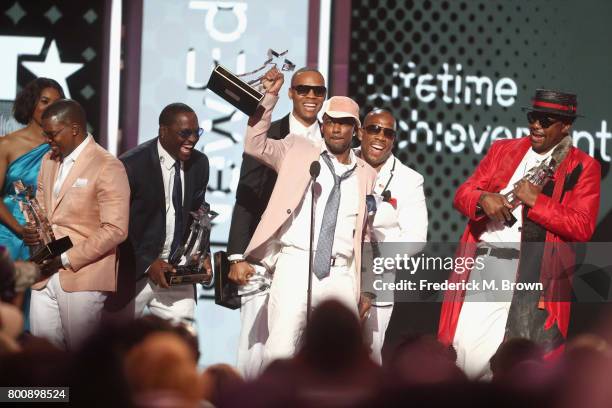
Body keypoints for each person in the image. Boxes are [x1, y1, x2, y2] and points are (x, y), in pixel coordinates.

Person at [438, 89, 601, 379]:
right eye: (532, 117)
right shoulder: (504, 149)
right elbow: (464, 193)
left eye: (545, 120)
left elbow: (582, 226)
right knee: (468, 356)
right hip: (489, 263)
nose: (536, 125)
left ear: (565, 125)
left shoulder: (582, 167)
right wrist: (482, 199)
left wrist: (536, 201)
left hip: (536, 276)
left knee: (519, 367)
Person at [238, 67, 377, 365]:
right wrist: (270, 96)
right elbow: (255, 144)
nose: (337, 129)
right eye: (331, 122)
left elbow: (364, 234)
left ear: (356, 130)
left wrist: (367, 286)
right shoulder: (298, 150)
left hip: (340, 272)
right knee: (281, 353)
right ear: (323, 125)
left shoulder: (367, 173)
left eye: (345, 123)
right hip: (295, 264)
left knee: (342, 360)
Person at [227, 67, 326, 378]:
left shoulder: (334, 138)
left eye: (318, 91)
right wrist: (238, 255)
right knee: (253, 350)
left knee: (298, 349)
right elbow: (247, 194)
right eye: (304, 89)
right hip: (264, 256)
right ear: (291, 92)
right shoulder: (271, 132)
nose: (311, 96)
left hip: (308, 259)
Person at [24, 99, 130, 350]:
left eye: (52, 134)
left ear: (74, 128)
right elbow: (40, 209)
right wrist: (33, 231)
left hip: (84, 274)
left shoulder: (107, 165)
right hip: (44, 274)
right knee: (42, 358)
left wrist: (65, 259)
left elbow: (116, 229)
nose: (48, 140)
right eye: (45, 134)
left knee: (81, 361)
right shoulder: (49, 161)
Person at [112, 103, 210, 324]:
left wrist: (202, 253)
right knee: (117, 348)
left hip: (176, 272)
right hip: (133, 271)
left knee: (182, 344)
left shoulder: (200, 164)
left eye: (197, 132)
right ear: (163, 131)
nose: (193, 139)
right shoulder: (131, 165)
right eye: (185, 132)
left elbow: (199, 212)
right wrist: (149, 263)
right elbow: (116, 224)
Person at [356, 109, 428, 364]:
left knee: (368, 359)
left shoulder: (410, 180)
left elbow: (416, 237)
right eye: (374, 129)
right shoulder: (342, 163)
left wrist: (374, 264)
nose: (381, 137)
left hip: (378, 278)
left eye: (389, 133)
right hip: (333, 271)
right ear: (360, 132)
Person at [0, 78, 64, 321]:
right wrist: (20, 229)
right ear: (30, 104)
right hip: (9, 235)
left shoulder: (64, 147)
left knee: (39, 317)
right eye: (44, 101)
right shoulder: (7, 144)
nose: (50, 108)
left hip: (46, 240)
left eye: (56, 103)